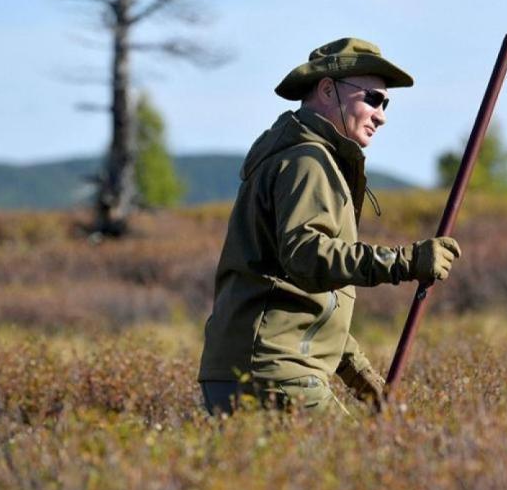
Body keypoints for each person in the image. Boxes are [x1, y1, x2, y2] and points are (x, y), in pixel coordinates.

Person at [197, 37, 462, 415]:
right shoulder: (309, 161)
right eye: (372, 98)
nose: (381, 114)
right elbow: (307, 257)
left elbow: (305, 302)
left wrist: (362, 379)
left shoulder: (299, 157)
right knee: (360, 471)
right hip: (275, 373)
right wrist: (407, 261)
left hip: (247, 370)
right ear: (327, 89)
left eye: (386, 103)